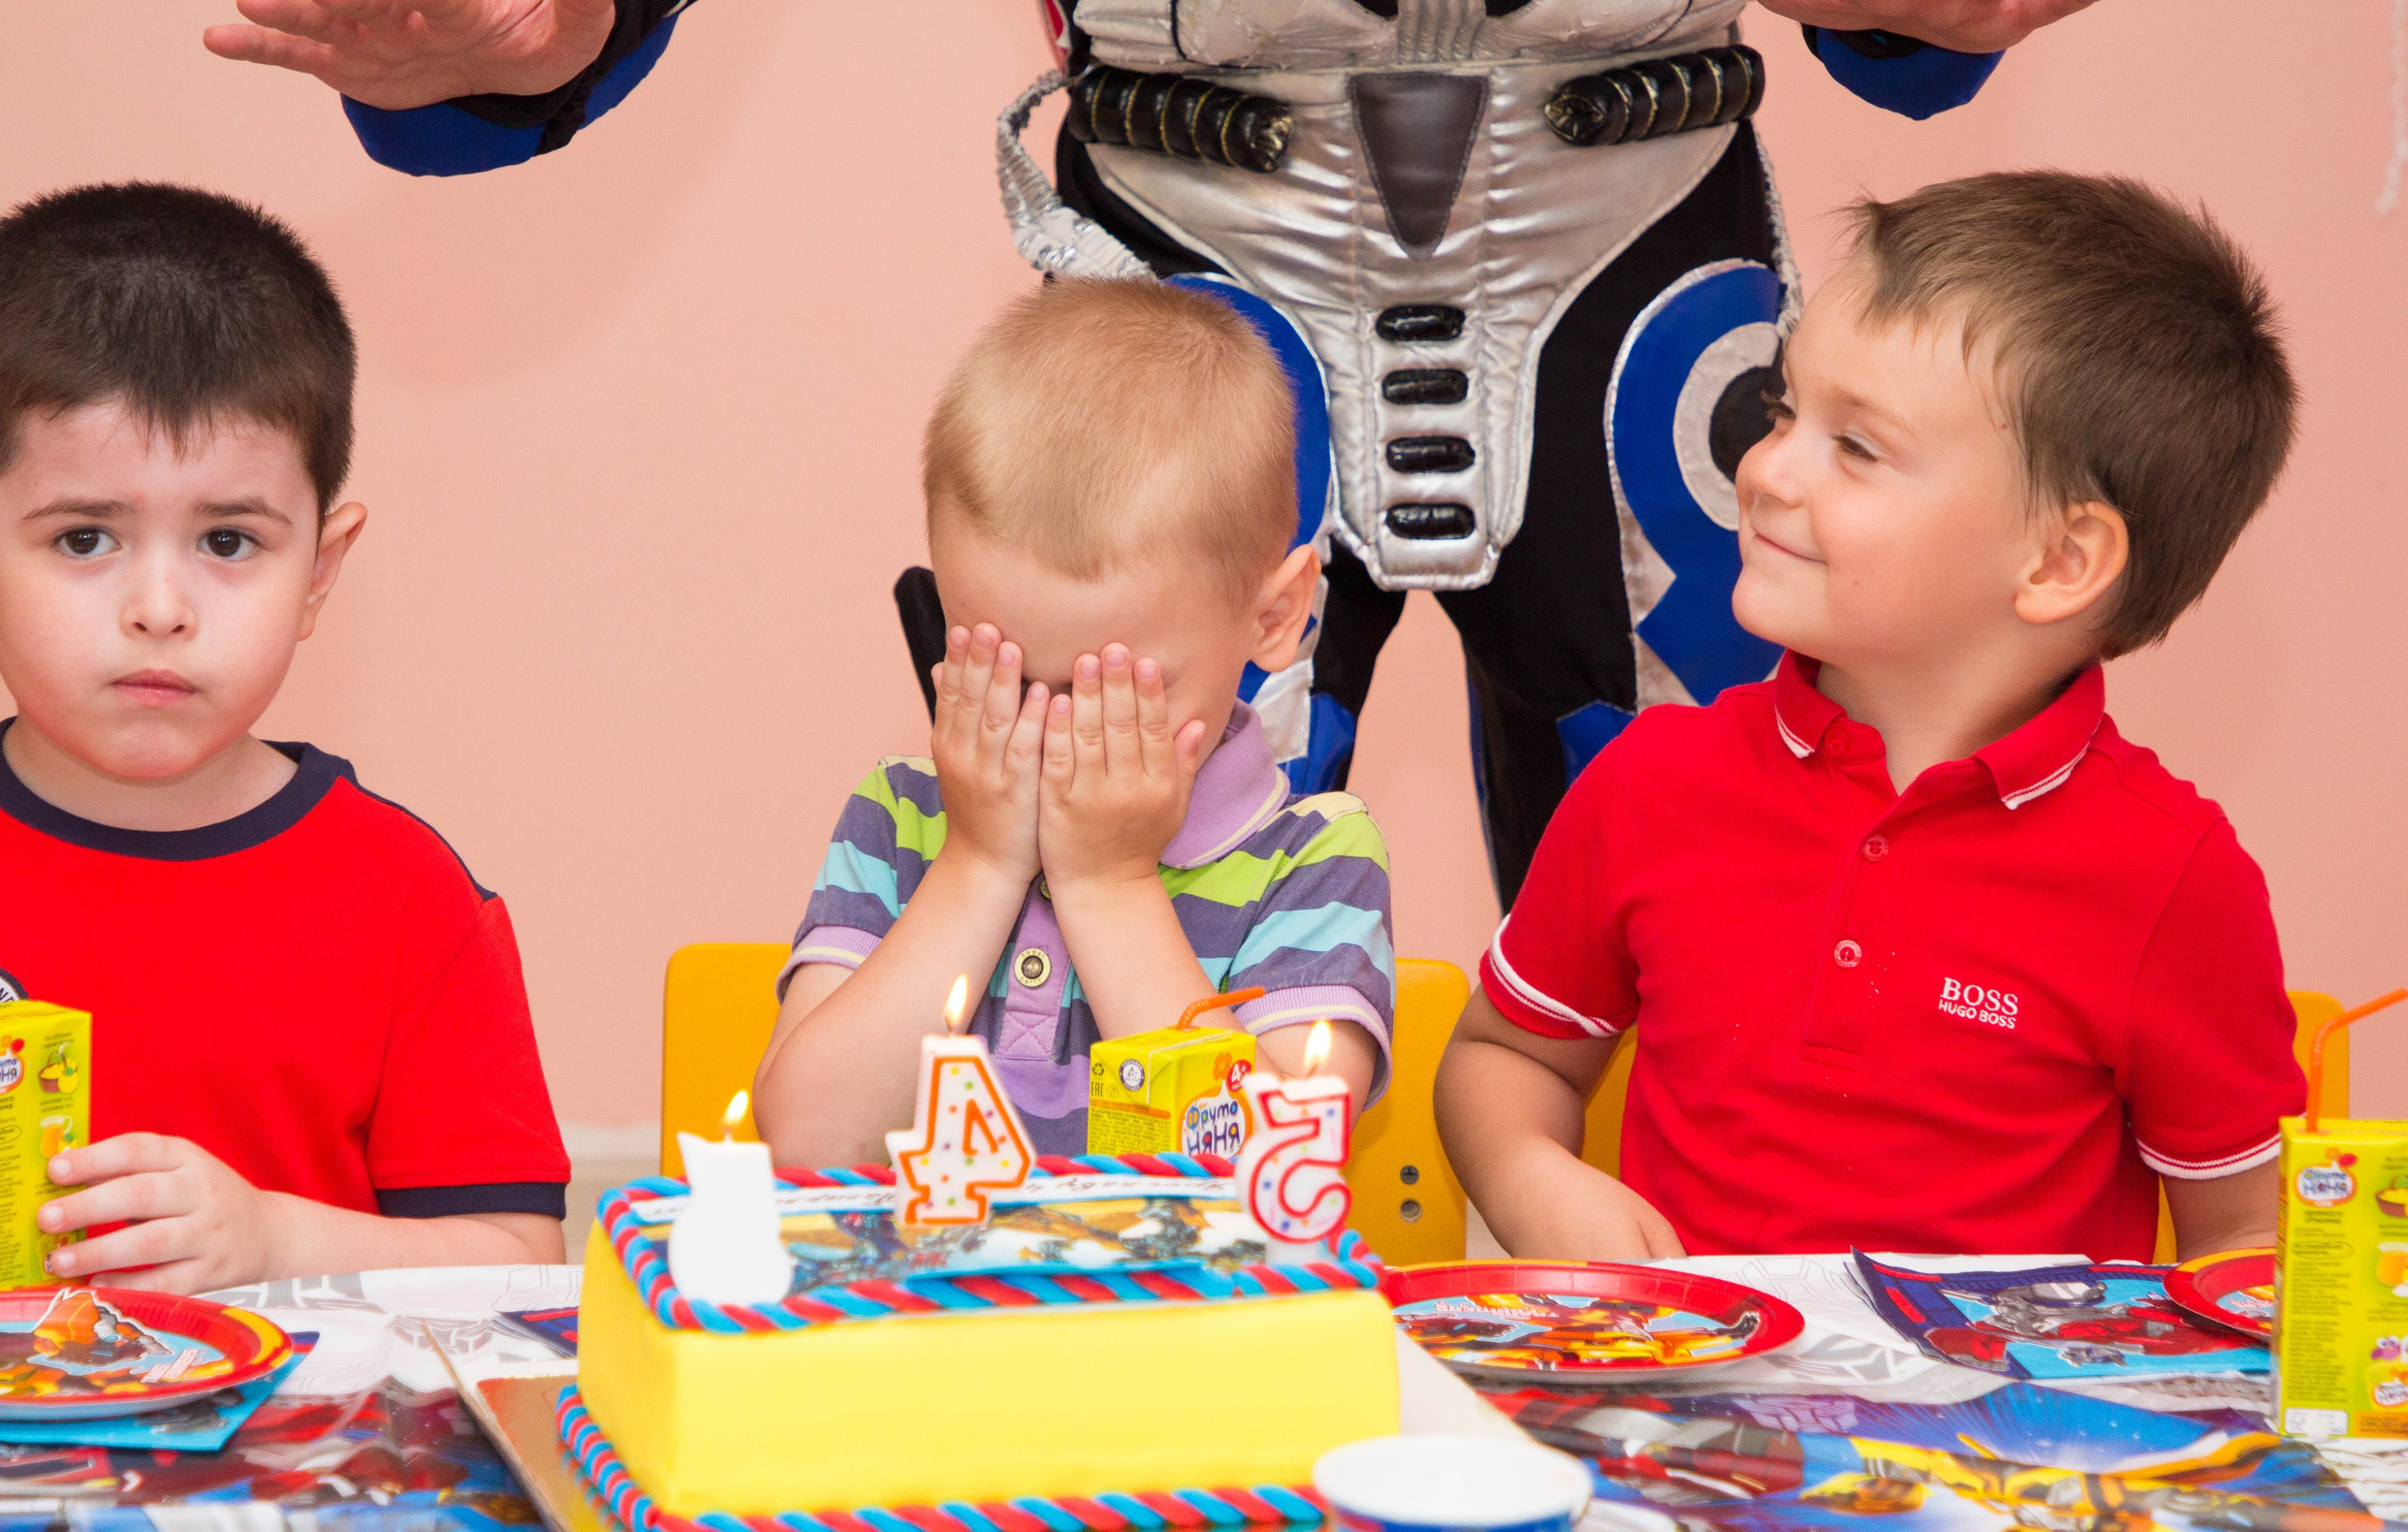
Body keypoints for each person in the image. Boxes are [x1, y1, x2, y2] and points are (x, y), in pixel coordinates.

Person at [201, 0, 2092, 911]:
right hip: (1204, 239)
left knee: (1741, 886)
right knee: (1128, 848)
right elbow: (522, 27)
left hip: (1630, 225)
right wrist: (523, 34)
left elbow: (1919, 26)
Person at [1435, 172, 2297, 1264]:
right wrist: (1533, 1181)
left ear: (2059, 561)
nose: (1762, 470)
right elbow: (1507, 1057)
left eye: (1857, 448)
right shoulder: (1653, 780)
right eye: (1782, 410)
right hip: (1680, 1413)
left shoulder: (2175, 881)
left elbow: (2250, 1245)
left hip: (2012, 1439)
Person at [0, 183, 570, 1293]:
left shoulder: (407, 900)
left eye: (228, 540)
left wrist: (278, 1242)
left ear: (318, 572)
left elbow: (518, 1266)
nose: (161, 607)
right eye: (85, 538)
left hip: (306, 1458)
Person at [754, 278, 1393, 1166]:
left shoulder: (1313, 861)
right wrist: (978, 863)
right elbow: (809, 1143)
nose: (1057, 730)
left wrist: (1110, 885)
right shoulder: (901, 820)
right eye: (1008, 673)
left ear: (1274, 617)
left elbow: (1266, 1180)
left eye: (1117, 691)